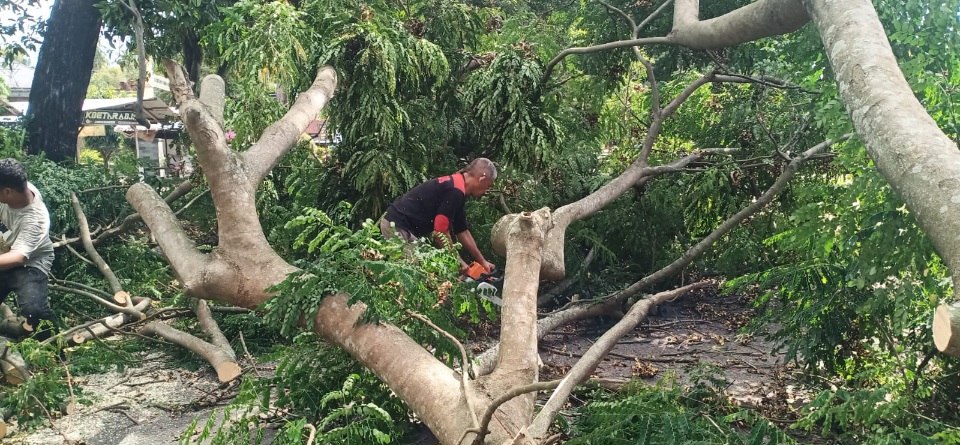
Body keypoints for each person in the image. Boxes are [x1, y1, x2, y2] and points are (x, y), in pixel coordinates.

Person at [381, 158, 497, 275]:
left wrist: (482, 262)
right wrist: (457, 261)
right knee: (414, 274)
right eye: (488, 185)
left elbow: (462, 231)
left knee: (425, 268)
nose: (487, 191)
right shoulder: (454, 191)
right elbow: (440, 232)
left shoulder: (458, 188)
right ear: (481, 178)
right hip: (396, 226)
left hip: (405, 228)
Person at [0, 158, 58, 341]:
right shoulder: (15, 186)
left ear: (7, 191)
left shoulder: (36, 220)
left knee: (35, 310)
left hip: (31, 262)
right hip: (7, 251)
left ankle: (56, 350)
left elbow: (18, 258)